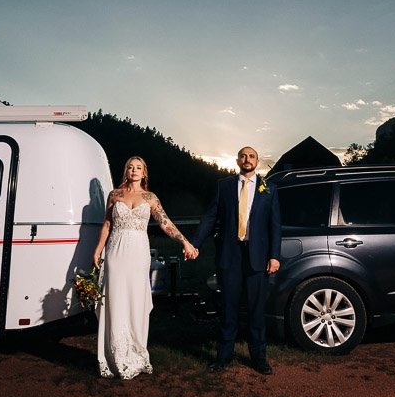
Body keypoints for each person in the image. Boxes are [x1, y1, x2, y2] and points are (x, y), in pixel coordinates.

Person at [92, 156, 198, 379]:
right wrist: (97, 250)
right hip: (115, 252)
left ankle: (136, 351)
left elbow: (165, 223)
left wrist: (185, 242)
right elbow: (107, 224)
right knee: (115, 298)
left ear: (144, 173)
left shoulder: (150, 198)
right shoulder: (115, 195)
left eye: (138, 167)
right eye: (130, 166)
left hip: (138, 253)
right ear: (126, 170)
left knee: (136, 300)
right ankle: (114, 354)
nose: (134, 170)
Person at [191, 146, 281, 374]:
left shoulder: (268, 189)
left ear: (257, 161)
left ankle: (259, 358)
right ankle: (223, 356)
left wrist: (274, 256)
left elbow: (275, 226)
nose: (247, 159)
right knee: (228, 308)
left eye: (251, 156)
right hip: (230, 255)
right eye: (243, 156)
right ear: (238, 160)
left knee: (256, 310)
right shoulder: (224, 185)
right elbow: (210, 217)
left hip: (257, 257)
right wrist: (195, 243)